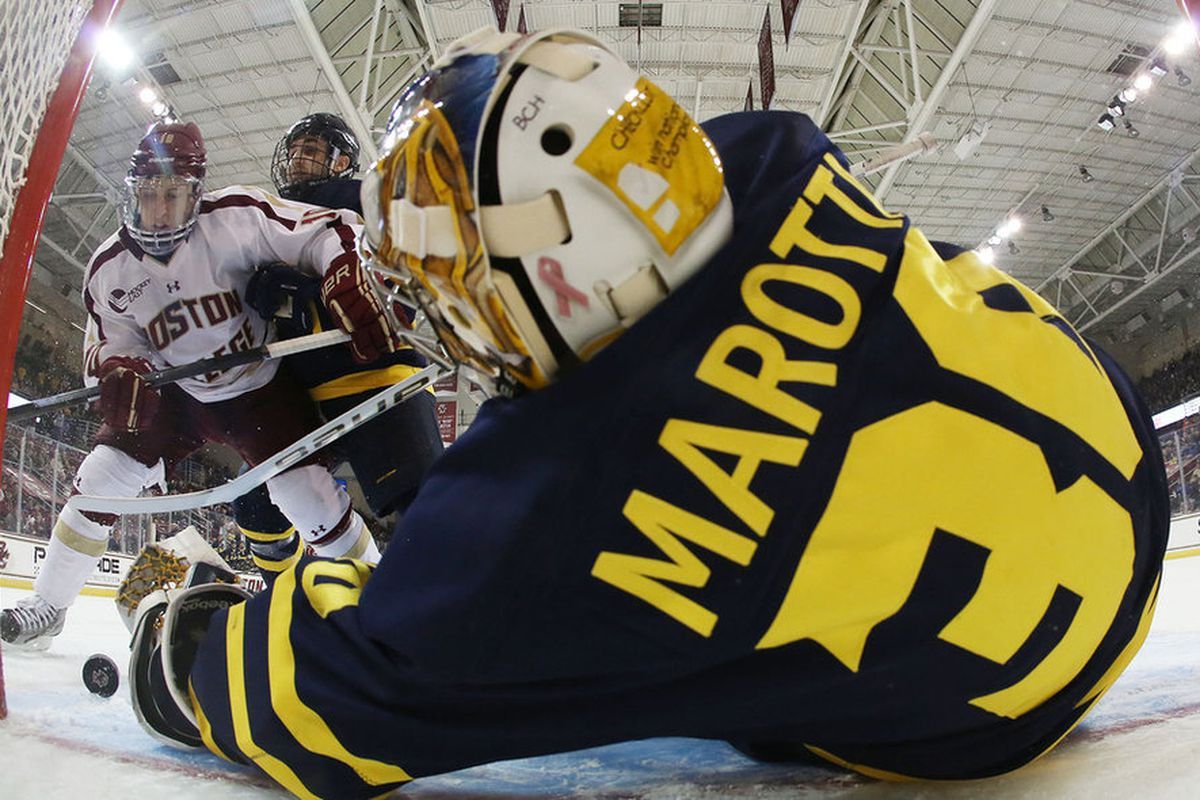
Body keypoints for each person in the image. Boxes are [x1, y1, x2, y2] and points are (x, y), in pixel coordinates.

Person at [124, 28, 1167, 799]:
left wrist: (179, 641)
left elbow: (317, 704)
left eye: (452, 280)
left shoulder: (561, 520)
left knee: (676, 659)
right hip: (1115, 460)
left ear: (546, 277)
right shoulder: (777, 162)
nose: (443, 308)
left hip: (990, 717)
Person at [0, 120, 398, 649]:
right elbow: (105, 343)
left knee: (307, 497)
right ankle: (48, 607)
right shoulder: (108, 267)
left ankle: (384, 599)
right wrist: (122, 368)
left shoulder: (235, 216)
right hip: (177, 394)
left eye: (174, 194)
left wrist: (343, 273)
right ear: (131, 193)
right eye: (149, 195)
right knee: (101, 475)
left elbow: (329, 229)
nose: (160, 209)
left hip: (258, 387)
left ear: (198, 191)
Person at [233, 113, 444, 582]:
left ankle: (440, 620)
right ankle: (284, 595)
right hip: (295, 390)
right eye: (295, 149)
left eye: (311, 149)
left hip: (375, 378)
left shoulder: (364, 199)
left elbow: (396, 282)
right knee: (253, 505)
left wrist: (301, 294)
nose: (297, 159)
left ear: (342, 161)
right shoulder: (265, 218)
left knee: (423, 506)